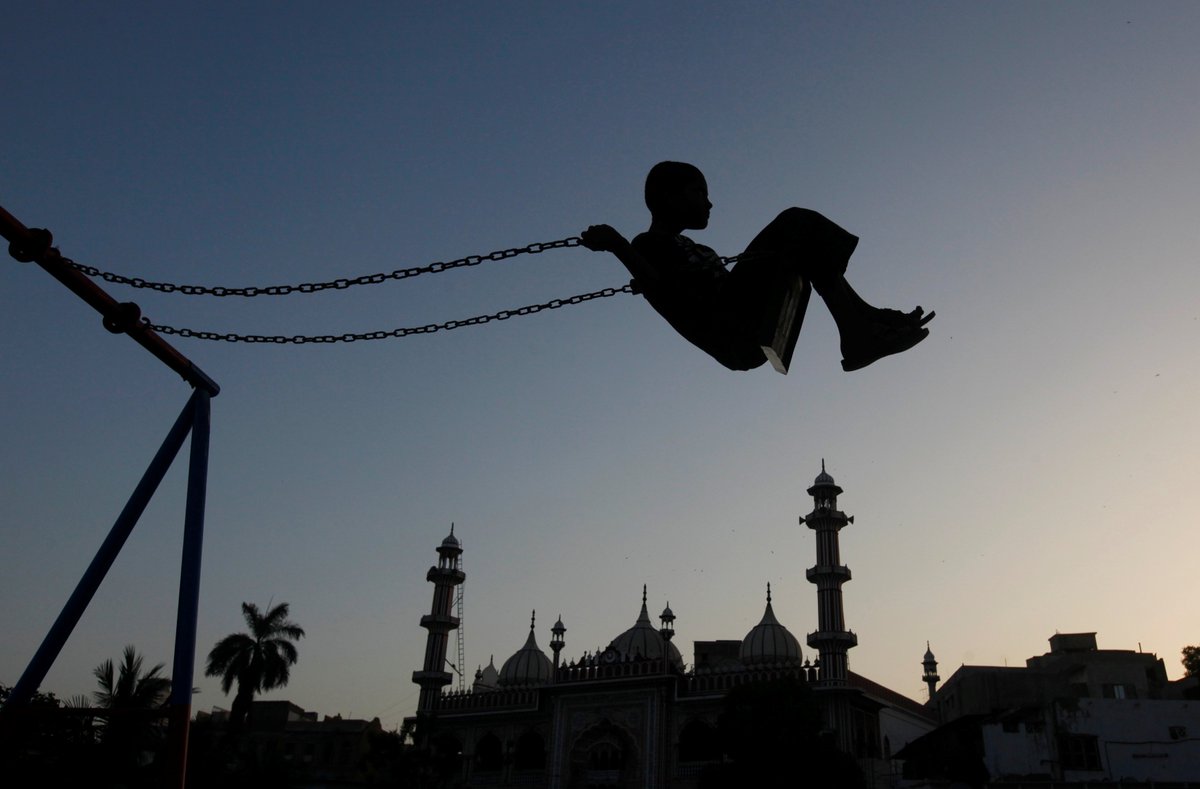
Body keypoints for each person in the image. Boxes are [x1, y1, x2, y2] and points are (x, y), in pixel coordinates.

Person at [581, 161, 932, 372]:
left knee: (803, 246)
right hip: (727, 327)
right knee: (795, 222)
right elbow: (659, 288)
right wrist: (618, 246)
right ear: (669, 197)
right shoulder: (648, 245)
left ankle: (861, 323)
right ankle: (859, 329)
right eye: (698, 192)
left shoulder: (697, 248)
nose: (709, 202)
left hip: (741, 323)